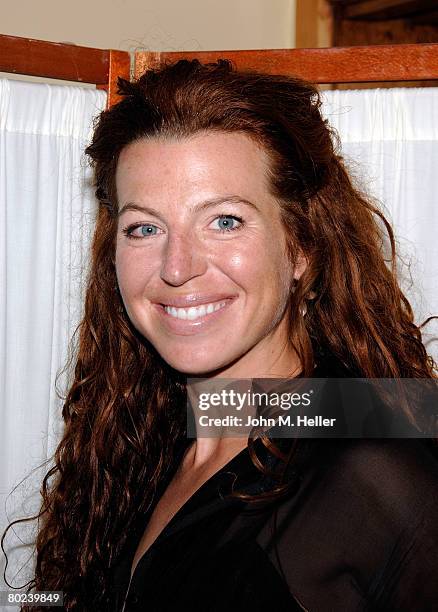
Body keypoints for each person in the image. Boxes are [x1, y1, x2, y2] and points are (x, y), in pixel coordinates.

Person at [4, 59, 438, 611]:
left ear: (301, 246)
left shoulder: (372, 462)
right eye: (145, 228)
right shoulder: (137, 444)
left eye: (225, 220)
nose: (177, 266)